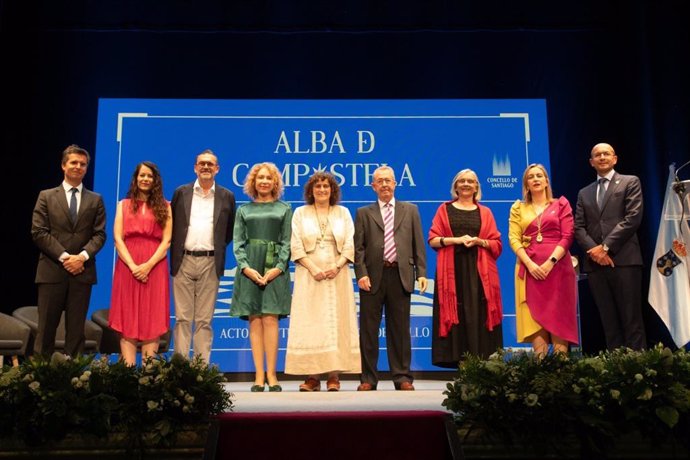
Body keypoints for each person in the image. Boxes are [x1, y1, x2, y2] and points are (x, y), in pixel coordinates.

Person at [285, 172, 361, 392]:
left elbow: (350, 243)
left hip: (338, 274)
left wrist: (337, 266)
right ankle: (312, 377)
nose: (322, 190)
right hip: (309, 275)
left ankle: (334, 376)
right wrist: (314, 268)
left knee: (336, 323)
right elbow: (296, 244)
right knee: (312, 324)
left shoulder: (343, 213)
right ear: (311, 190)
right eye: (317, 186)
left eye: (326, 187)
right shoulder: (300, 213)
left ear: (332, 190)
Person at [354, 165, 427, 391]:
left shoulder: (411, 210)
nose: (385, 184)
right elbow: (359, 249)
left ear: (395, 184)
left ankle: (402, 376)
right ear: (373, 186)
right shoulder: (364, 213)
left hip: (400, 274)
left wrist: (422, 273)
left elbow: (418, 245)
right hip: (372, 277)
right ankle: (368, 378)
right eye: (380, 181)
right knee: (368, 330)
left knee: (400, 330)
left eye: (388, 180)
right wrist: (362, 274)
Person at [31, 144, 106, 357]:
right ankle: (41, 382)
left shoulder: (96, 199)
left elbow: (99, 235)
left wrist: (81, 257)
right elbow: (38, 232)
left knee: (76, 333)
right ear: (64, 165)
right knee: (46, 330)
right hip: (52, 271)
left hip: (82, 273)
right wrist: (65, 258)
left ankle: (73, 383)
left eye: (83, 164)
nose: (78, 167)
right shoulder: (46, 196)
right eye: (74, 162)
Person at [427, 169, 503, 366]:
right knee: (457, 314)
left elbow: (496, 244)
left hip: (480, 272)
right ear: (456, 186)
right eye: (462, 181)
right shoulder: (444, 209)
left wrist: (480, 242)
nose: (467, 184)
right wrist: (457, 240)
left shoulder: (485, 212)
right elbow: (433, 240)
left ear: (477, 187)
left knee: (478, 314)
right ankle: (459, 362)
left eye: (471, 181)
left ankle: (481, 362)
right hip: (452, 271)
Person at [574, 143, 646, 350]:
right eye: (597, 155)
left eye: (606, 153)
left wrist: (605, 248)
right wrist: (596, 252)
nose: (602, 157)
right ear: (591, 162)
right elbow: (578, 227)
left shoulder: (629, 182)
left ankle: (638, 369)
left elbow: (633, 218)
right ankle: (614, 370)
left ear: (615, 158)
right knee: (609, 321)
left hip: (625, 260)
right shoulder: (584, 192)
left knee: (631, 319)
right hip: (596, 265)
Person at [230, 162, 292, 392]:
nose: (264, 181)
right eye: (260, 178)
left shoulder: (285, 208)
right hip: (250, 269)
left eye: (268, 178)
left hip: (276, 269)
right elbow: (238, 243)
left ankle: (272, 375)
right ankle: (258, 375)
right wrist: (246, 268)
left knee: (271, 320)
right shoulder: (243, 210)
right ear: (253, 182)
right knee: (255, 319)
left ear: (275, 182)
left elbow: (287, 242)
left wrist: (277, 268)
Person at [170, 149, 236, 364]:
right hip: (183, 260)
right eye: (202, 164)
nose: (206, 167)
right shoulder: (181, 192)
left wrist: (213, 250)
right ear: (195, 168)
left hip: (210, 261)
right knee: (182, 318)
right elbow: (172, 227)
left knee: (204, 320)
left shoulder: (227, 196)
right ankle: (180, 366)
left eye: (210, 164)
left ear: (217, 169)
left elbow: (228, 232)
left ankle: (200, 371)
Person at [508, 164, 579, 356]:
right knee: (534, 318)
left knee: (559, 317)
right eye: (531, 177)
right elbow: (514, 238)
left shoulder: (561, 204)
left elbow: (568, 235)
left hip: (558, 269)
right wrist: (530, 265)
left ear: (547, 181)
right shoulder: (518, 208)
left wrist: (550, 262)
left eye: (540, 175)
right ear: (526, 184)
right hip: (529, 269)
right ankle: (540, 371)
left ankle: (560, 369)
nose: (536, 179)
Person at [109, 161, 172, 365]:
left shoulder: (166, 206)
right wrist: (134, 266)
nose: (145, 179)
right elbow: (118, 238)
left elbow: (167, 241)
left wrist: (147, 266)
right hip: (128, 266)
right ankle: (127, 371)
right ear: (136, 179)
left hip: (155, 267)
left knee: (151, 316)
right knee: (128, 315)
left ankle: (147, 373)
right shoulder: (123, 205)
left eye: (149, 176)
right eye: (142, 175)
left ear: (155, 181)